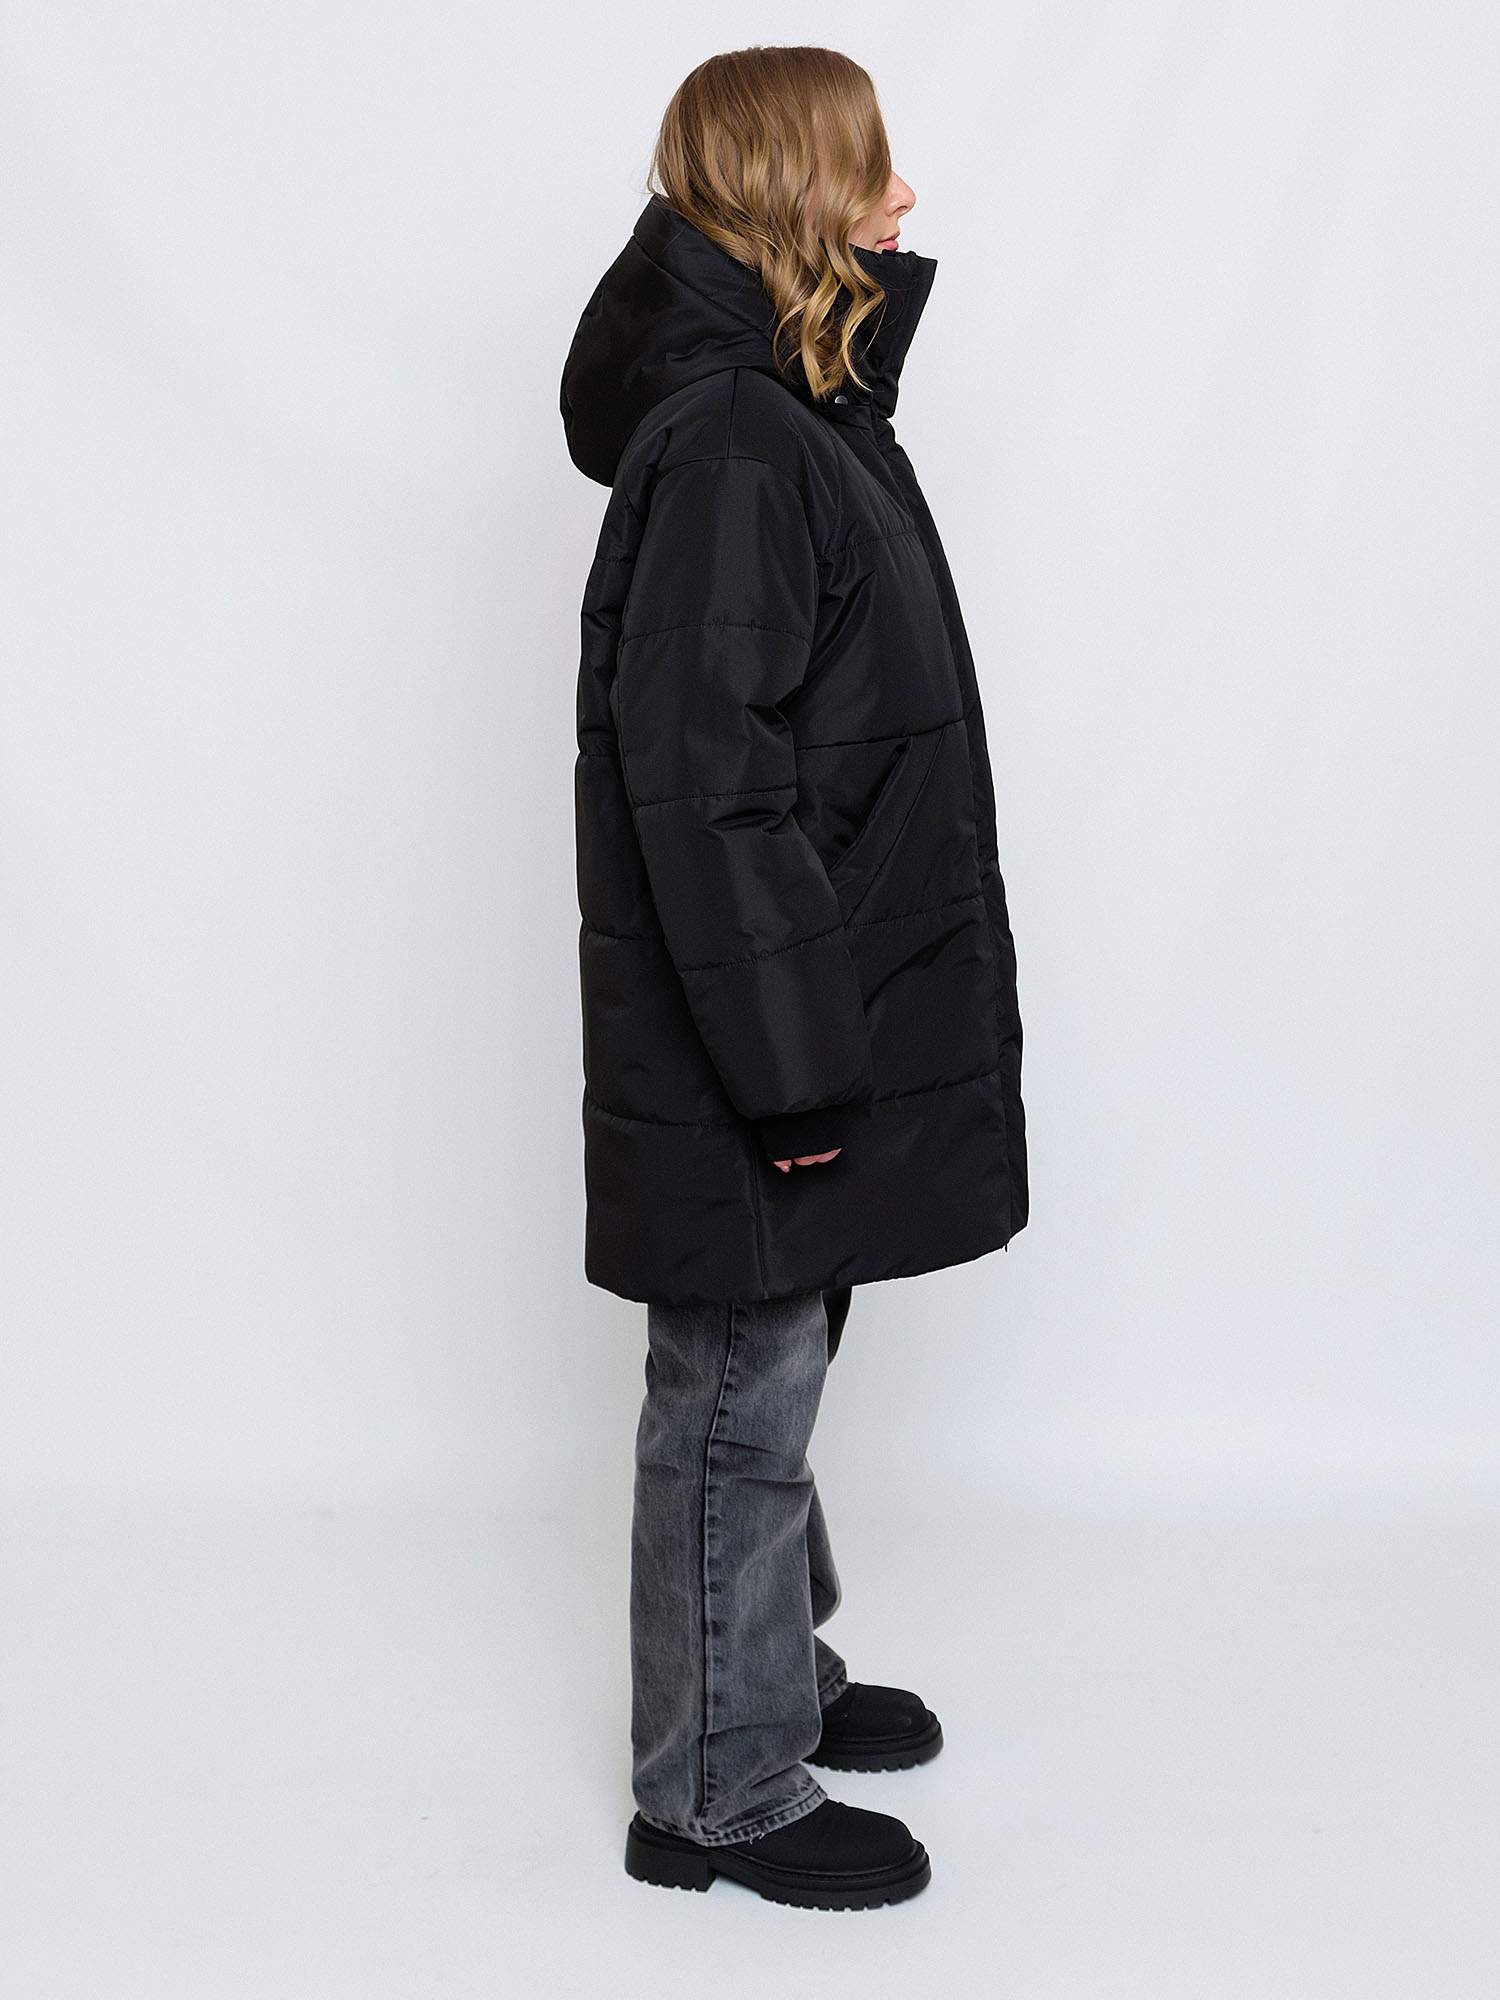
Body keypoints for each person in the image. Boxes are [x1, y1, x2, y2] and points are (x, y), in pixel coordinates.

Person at [559, 45, 1029, 1910]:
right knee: (737, 1388)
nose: (904, 199)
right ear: (789, 192)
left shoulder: (794, 415)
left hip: (806, 1007)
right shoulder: (740, 445)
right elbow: (710, 788)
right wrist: (793, 1069)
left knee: (780, 1360)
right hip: (758, 1034)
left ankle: (764, 1676)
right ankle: (716, 1788)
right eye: (873, 169)